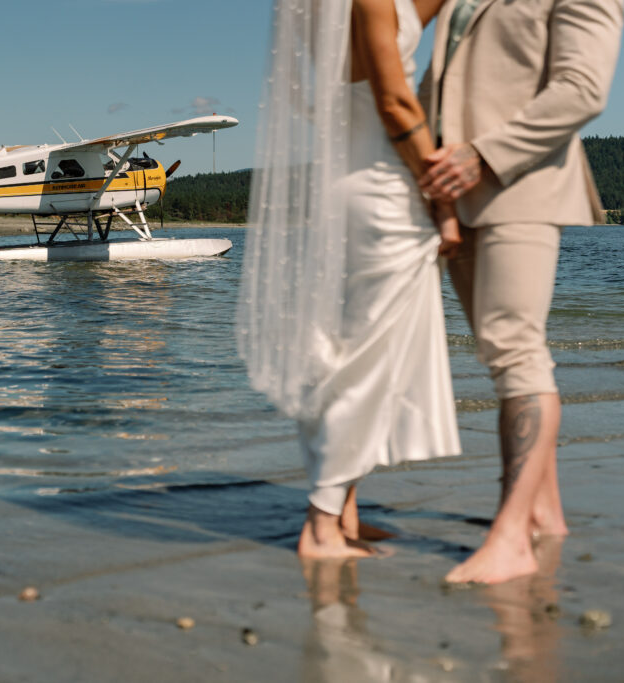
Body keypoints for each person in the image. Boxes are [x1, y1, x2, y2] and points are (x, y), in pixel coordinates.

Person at [237, 0, 460, 559]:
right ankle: (320, 523)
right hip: (384, 189)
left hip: (344, 184)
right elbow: (393, 99)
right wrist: (439, 193)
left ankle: (346, 514)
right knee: (369, 363)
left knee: (345, 350)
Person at [417, 0, 624, 583]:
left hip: (521, 186)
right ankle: (543, 514)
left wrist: (482, 154)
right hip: (455, 195)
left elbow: (583, 89)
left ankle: (509, 538)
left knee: (516, 349)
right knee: (498, 354)